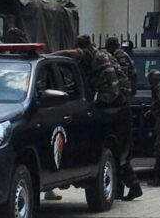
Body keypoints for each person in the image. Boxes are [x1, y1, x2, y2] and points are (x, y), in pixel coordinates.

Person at [47, 35, 121, 200]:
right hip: (112, 97)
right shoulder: (100, 54)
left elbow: (69, 53)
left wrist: (47, 56)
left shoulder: (89, 53)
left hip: (105, 97)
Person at [103, 37, 142, 200]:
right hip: (123, 103)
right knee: (117, 154)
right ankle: (118, 190)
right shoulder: (122, 55)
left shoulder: (118, 56)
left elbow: (121, 78)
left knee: (120, 154)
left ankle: (133, 186)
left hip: (120, 105)